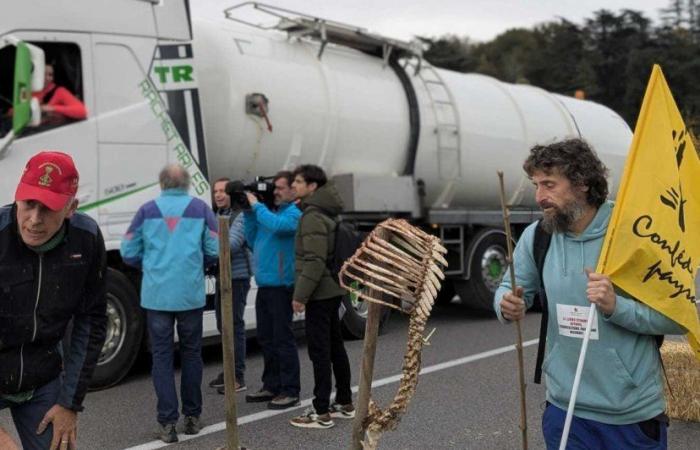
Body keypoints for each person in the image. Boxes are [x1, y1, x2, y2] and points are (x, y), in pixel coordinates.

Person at [494, 139, 686, 450]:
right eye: (536, 185)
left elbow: (677, 318)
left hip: (629, 416)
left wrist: (616, 306)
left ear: (583, 183)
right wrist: (506, 305)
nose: (540, 196)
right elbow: (509, 287)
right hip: (564, 409)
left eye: (549, 184)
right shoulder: (538, 236)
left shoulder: (635, 234)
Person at [0, 151, 107, 449]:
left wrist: (70, 403)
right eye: (29, 204)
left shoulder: (86, 240)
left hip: (41, 374)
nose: (34, 220)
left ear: (72, 208)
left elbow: (92, 319)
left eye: (47, 208)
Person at [120, 164, 218, 443]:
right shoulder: (200, 209)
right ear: (186, 184)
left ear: (162, 184)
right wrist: (198, 264)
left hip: (157, 295)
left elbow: (128, 251)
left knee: (162, 358)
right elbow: (213, 249)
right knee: (191, 354)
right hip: (190, 294)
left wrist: (149, 266)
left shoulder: (146, 210)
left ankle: (167, 423)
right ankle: (193, 416)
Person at [288, 165, 354, 429]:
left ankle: (321, 411)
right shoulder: (326, 212)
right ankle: (345, 402)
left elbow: (314, 260)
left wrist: (300, 295)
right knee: (335, 347)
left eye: (299, 181)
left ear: (312, 186)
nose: (294, 185)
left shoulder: (312, 216)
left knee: (320, 351)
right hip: (333, 289)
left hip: (319, 292)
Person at [243, 171, 302, 410]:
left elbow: (278, 228)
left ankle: (290, 389)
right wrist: (248, 212)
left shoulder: (294, 215)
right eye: (274, 188)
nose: (276, 192)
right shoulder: (270, 214)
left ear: (292, 190)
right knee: (266, 339)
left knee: (282, 339)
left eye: (280, 188)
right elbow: (251, 237)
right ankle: (271, 385)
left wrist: (256, 207)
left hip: (282, 286)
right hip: (265, 285)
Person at [207, 178, 253, 394]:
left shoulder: (240, 216)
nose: (218, 195)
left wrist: (204, 244)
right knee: (221, 324)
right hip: (221, 277)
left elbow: (231, 244)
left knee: (234, 324)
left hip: (237, 278)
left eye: (222, 191)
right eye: (215, 191)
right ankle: (228, 371)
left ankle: (237, 376)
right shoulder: (218, 215)